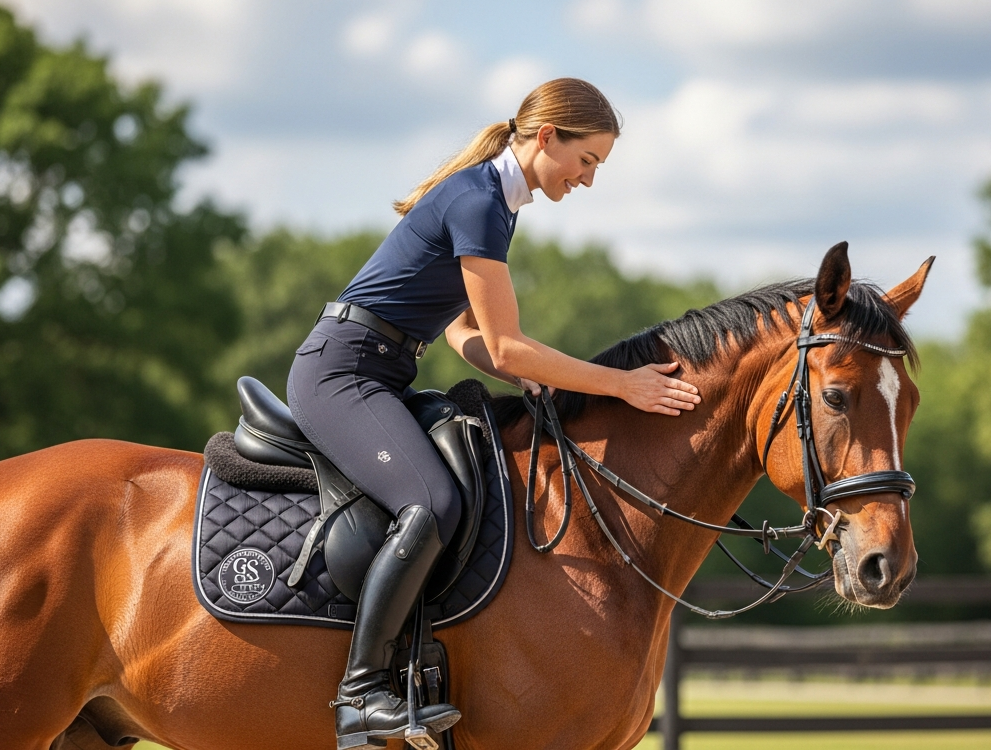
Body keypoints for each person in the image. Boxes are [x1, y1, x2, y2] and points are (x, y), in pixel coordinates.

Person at [286, 77, 702, 749]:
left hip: (380, 372)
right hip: (342, 373)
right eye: (586, 159)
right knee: (432, 504)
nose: (588, 179)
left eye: (598, 165)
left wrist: (520, 373)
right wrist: (620, 385)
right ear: (547, 137)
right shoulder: (479, 201)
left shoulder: (493, 203)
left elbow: (464, 336)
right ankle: (361, 692)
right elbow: (506, 342)